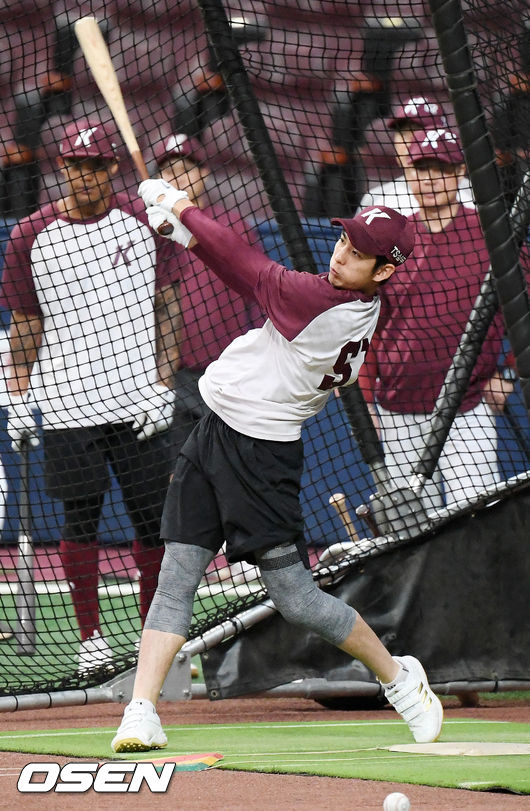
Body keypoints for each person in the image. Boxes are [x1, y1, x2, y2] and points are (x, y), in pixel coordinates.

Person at [111, 181, 443, 753]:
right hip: (212, 433)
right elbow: (242, 270)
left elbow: (248, 268)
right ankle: (141, 712)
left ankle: (399, 678)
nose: (342, 254)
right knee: (177, 577)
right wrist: (186, 236)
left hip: (260, 456)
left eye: (359, 254)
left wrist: (184, 207)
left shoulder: (325, 306)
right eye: (344, 242)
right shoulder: (337, 296)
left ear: (384, 271)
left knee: (297, 599)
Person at [0, 119, 182, 673]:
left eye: (96, 166)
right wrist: (17, 397)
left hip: (138, 402)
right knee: (80, 522)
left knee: (154, 523)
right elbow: (25, 325)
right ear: (62, 168)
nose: (85, 175)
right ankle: (90, 641)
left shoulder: (144, 222)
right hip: (67, 404)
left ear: (112, 168)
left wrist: (164, 385)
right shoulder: (30, 235)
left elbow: (169, 307)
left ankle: (154, 644)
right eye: (76, 166)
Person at [358, 127, 515, 511]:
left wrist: (509, 373)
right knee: (415, 532)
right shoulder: (391, 241)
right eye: (420, 169)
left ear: (460, 171)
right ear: (407, 173)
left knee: (479, 520)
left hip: (467, 408)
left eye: (440, 169)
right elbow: (366, 326)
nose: (429, 180)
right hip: (397, 412)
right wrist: (363, 400)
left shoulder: (491, 233)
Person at [154, 132, 264, 584]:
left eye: (188, 166)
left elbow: (260, 294)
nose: (179, 175)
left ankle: (243, 561)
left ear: (204, 173)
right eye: (169, 168)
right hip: (176, 377)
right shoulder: (151, 231)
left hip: (231, 374)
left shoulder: (232, 224)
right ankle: (188, 563)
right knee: (180, 475)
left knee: (237, 470)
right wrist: (158, 374)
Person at [359, 95, 475, 215]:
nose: (408, 142)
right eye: (403, 133)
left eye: (420, 133)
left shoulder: (473, 196)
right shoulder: (375, 200)